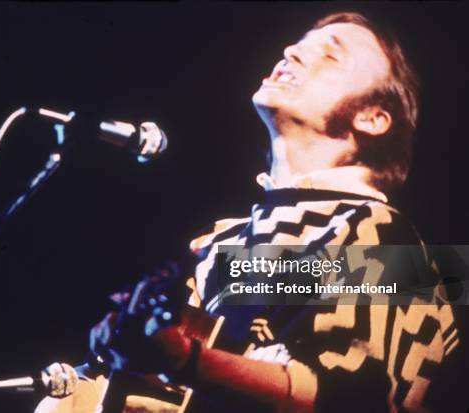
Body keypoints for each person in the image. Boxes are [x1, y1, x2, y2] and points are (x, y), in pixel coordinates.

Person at [36, 12, 461, 413]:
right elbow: (166, 390)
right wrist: (88, 387)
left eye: (330, 56)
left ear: (373, 118)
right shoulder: (226, 242)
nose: (291, 53)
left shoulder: (385, 236)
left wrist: (186, 359)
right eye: (297, 45)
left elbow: (356, 401)